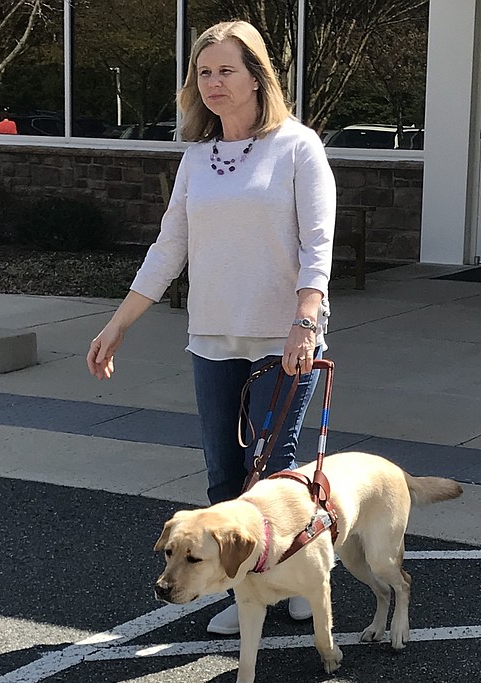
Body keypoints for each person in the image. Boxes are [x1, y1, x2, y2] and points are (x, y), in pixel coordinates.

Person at [86, 20, 336, 635]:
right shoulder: (198, 158)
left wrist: (307, 320)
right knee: (226, 480)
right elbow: (169, 248)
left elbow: (317, 245)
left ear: (257, 77)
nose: (214, 83)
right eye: (205, 73)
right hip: (213, 339)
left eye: (227, 70)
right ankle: (247, 593)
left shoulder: (298, 147)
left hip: (283, 338)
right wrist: (118, 325)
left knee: (277, 476)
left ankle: (304, 578)